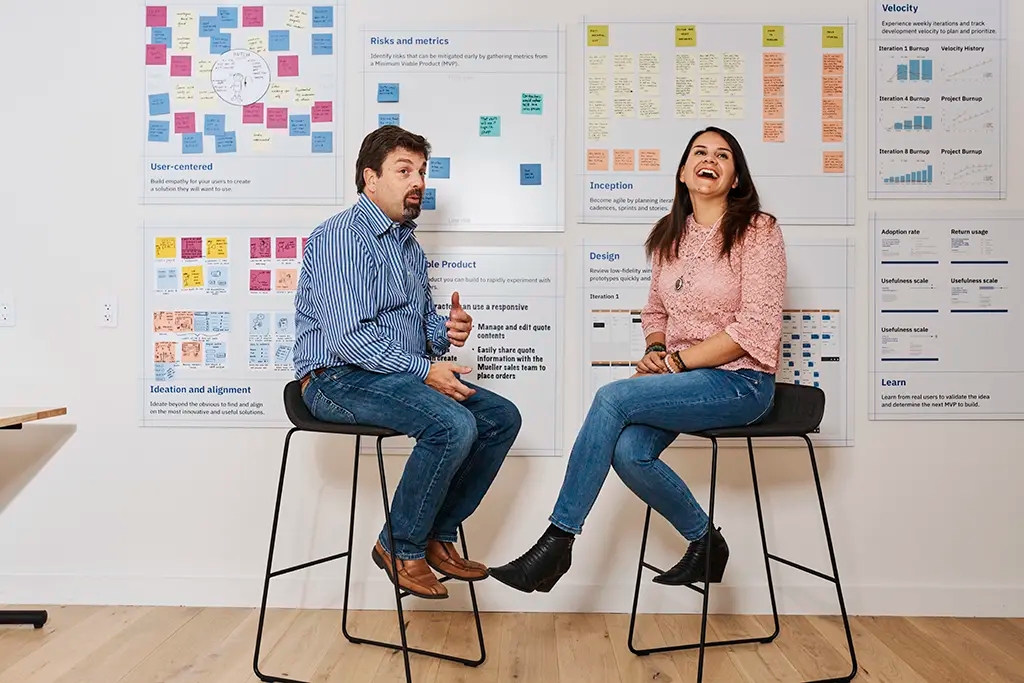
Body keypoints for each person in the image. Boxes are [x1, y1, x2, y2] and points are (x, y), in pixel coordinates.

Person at [488, 126, 786, 593]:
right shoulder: (670, 236)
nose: (710, 159)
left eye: (723, 155)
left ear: (735, 178)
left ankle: (557, 542)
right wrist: (654, 349)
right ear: (684, 172)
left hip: (740, 384)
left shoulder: (757, 231)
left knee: (612, 398)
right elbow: (655, 311)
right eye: (699, 153)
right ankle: (706, 542)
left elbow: (754, 329)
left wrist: (677, 363)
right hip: (686, 379)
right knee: (629, 453)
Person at [292, 125, 522, 600]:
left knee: (501, 418)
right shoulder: (341, 237)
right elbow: (349, 338)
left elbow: (417, 335)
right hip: (334, 379)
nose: (417, 180)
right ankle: (400, 545)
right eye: (404, 170)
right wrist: (424, 371)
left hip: (389, 376)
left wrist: (446, 331)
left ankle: (437, 532)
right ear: (369, 179)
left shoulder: (408, 248)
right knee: (453, 425)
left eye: (422, 171)